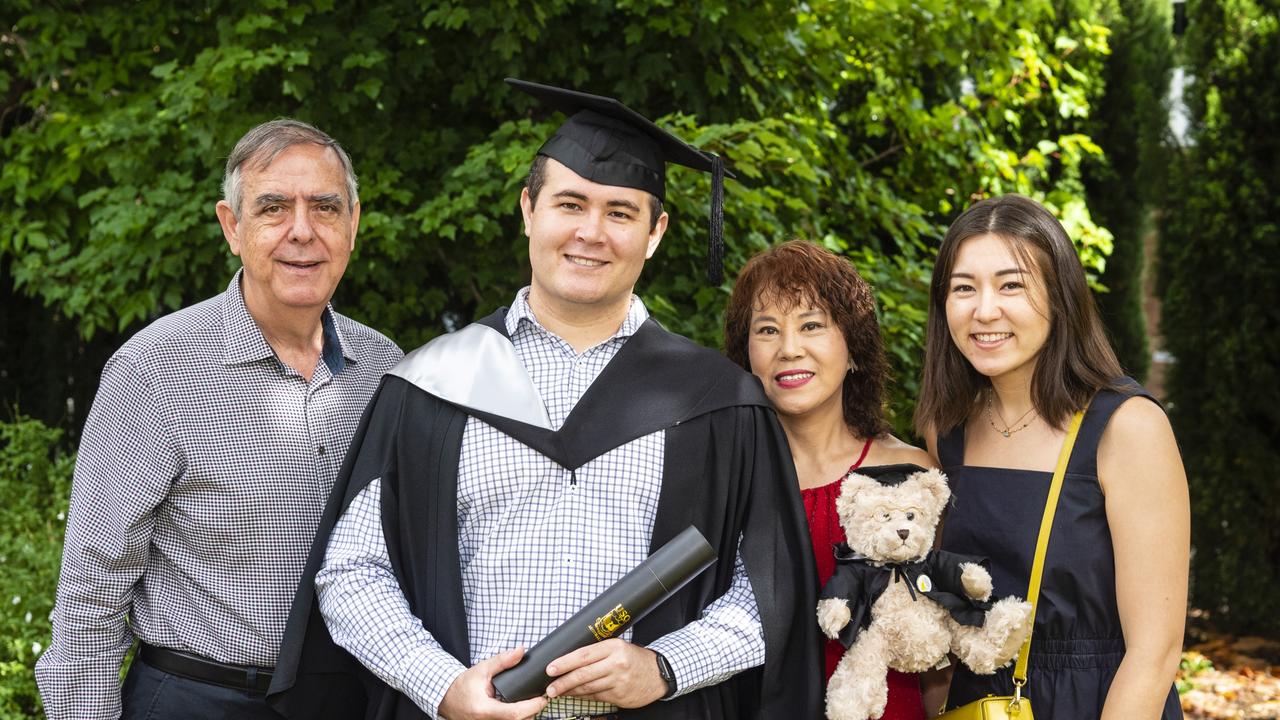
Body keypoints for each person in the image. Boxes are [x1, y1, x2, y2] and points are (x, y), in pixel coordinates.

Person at [266, 79, 821, 720]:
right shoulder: (432, 383)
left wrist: (667, 667)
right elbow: (354, 572)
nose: (591, 232)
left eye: (620, 212)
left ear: (656, 231)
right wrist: (443, 686)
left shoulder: (719, 402)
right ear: (528, 209)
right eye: (570, 204)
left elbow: (770, 585)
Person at [34, 119, 403, 720]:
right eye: (273, 208)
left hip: (348, 701)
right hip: (198, 700)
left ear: (353, 224)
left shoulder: (386, 369)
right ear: (233, 227)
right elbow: (89, 599)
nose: (302, 232)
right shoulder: (154, 370)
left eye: (325, 208)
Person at [915, 194, 1188, 719]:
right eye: (963, 288)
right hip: (978, 704)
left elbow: (1154, 653)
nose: (984, 310)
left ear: (1060, 295)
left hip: (1100, 701)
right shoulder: (944, 428)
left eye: (1011, 284)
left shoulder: (1128, 427)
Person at [723, 239, 933, 720]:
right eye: (768, 330)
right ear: (746, 357)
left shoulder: (910, 473)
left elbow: (940, 646)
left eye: (812, 325)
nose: (789, 349)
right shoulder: (729, 482)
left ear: (854, 348)